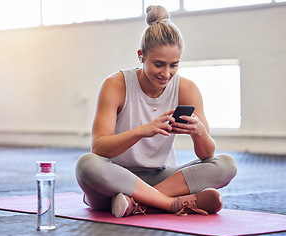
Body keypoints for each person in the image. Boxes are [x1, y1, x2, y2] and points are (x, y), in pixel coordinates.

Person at [76, 5, 237, 218]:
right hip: (114, 180)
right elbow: (99, 148)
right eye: (159, 64)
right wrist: (143, 130)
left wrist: (199, 133)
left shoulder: (187, 88)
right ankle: (172, 205)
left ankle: (136, 204)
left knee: (226, 164)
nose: (166, 73)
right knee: (87, 164)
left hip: (162, 177)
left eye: (174, 65)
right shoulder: (115, 85)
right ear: (141, 56)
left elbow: (207, 155)